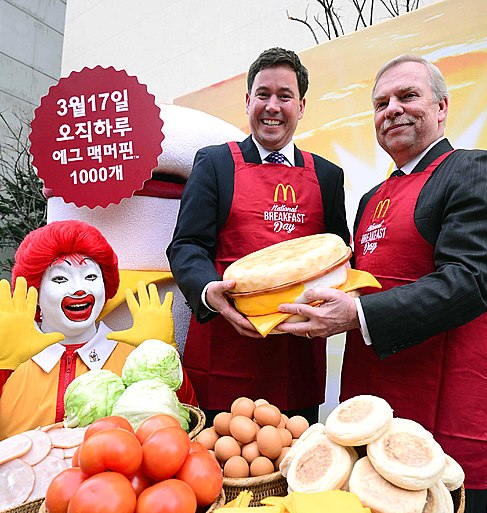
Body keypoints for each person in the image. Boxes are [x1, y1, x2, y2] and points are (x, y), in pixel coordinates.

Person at [276, 54, 487, 513]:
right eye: (381, 104)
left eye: (408, 96)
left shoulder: (474, 169)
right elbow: (355, 281)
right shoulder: (370, 199)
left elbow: (472, 279)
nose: (392, 109)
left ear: (441, 107)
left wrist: (358, 315)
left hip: (444, 404)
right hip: (370, 406)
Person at [167, 47, 349, 426]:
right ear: (248, 100)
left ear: (301, 106)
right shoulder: (215, 163)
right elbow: (187, 245)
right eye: (263, 94)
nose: (272, 106)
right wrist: (208, 292)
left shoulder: (328, 176)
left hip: (296, 359)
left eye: (285, 96)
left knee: (293, 456)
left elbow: (338, 257)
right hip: (224, 353)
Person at [0, 220, 197, 438]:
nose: (79, 289)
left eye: (91, 277)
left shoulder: (133, 359)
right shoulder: (10, 358)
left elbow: (185, 424)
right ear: (34, 292)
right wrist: (4, 368)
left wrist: (163, 352)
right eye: (60, 278)